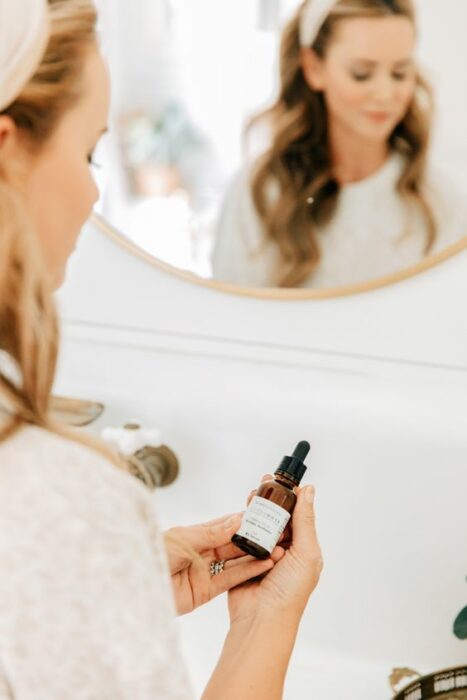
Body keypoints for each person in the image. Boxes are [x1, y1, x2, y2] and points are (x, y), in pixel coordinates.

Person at [0, 1, 323, 698]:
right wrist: (269, 618)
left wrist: (103, 574)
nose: (94, 191)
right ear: (5, 148)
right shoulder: (54, 492)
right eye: (88, 151)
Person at [212, 0, 467, 288]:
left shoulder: (441, 203)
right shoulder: (261, 193)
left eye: (400, 73)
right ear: (314, 68)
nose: (385, 94)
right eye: (361, 74)